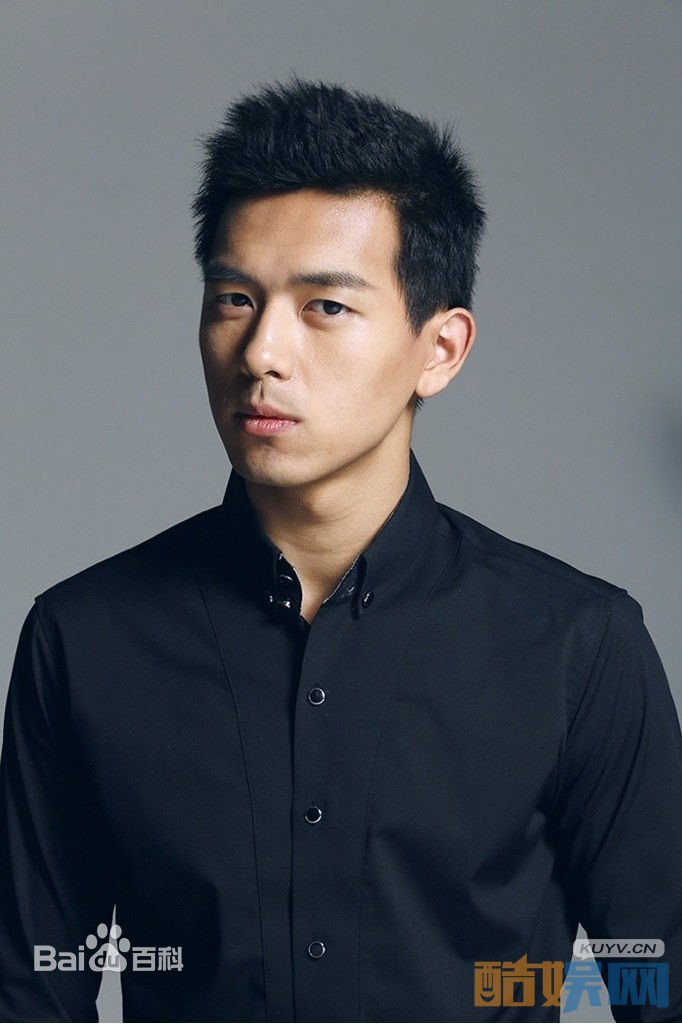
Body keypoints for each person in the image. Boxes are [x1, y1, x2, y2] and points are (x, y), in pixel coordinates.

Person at [0, 77, 680, 1024]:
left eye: (324, 306)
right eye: (234, 298)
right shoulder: (83, 639)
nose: (260, 352)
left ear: (440, 350)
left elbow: (658, 978)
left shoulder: (578, 645)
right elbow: (34, 989)